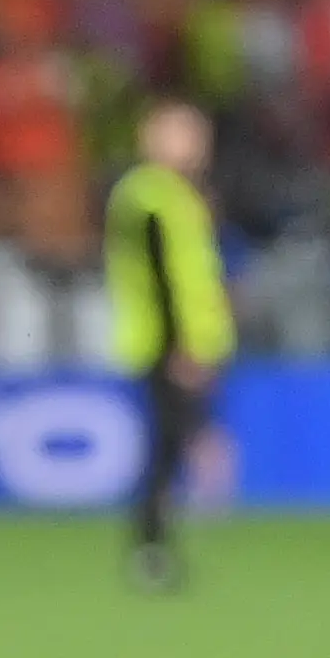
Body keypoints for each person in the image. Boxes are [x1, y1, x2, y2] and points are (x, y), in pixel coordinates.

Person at [104, 101, 235, 589]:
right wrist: (180, 345)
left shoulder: (177, 196)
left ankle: (156, 546)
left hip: (187, 341)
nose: (195, 144)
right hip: (164, 343)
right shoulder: (149, 197)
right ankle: (151, 548)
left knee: (172, 444)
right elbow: (160, 279)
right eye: (182, 134)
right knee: (169, 445)